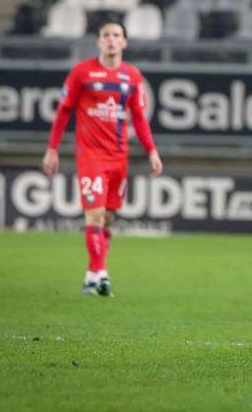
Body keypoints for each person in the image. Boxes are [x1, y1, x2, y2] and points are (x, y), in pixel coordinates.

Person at [42, 22, 163, 297]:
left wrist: (152, 150)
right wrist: (52, 148)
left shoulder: (132, 76)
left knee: (107, 218)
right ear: (98, 42)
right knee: (94, 215)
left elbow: (139, 117)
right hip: (91, 155)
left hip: (119, 157)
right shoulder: (81, 73)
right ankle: (102, 274)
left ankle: (91, 275)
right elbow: (63, 111)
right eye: (106, 35)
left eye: (116, 35)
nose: (111, 40)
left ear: (124, 43)